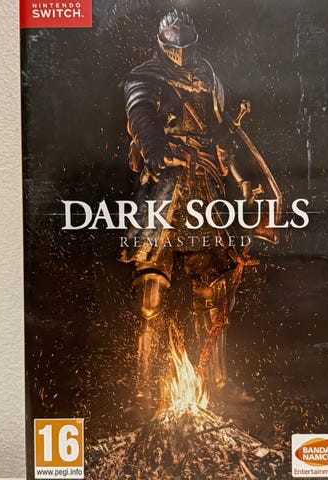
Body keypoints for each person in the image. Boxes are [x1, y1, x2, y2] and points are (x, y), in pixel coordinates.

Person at [121, 9, 267, 410]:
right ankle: (144, 388)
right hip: (164, 186)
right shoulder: (145, 76)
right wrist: (157, 151)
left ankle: (217, 382)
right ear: (161, 45)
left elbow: (221, 133)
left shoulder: (208, 75)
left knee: (213, 288)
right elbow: (141, 118)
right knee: (150, 292)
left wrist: (240, 176)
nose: (182, 54)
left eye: (187, 46)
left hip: (204, 185)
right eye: (175, 47)